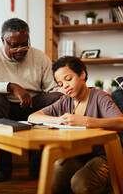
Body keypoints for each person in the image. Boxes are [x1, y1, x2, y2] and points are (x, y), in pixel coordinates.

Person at [0, 18, 63, 183]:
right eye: (14, 45)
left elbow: (53, 88)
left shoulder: (39, 56)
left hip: (32, 106)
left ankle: (39, 165)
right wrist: (9, 86)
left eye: (24, 44)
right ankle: (1, 167)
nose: (20, 49)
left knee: (59, 99)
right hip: (2, 107)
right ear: (3, 40)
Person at [28, 56, 123, 194]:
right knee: (52, 184)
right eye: (60, 84)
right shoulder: (64, 101)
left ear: (82, 74)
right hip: (76, 155)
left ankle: (110, 185)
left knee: (80, 185)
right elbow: (32, 116)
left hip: (103, 156)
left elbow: (120, 122)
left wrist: (86, 121)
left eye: (68, 79)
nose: (65, 86)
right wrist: (58, 120)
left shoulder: (100, 97)